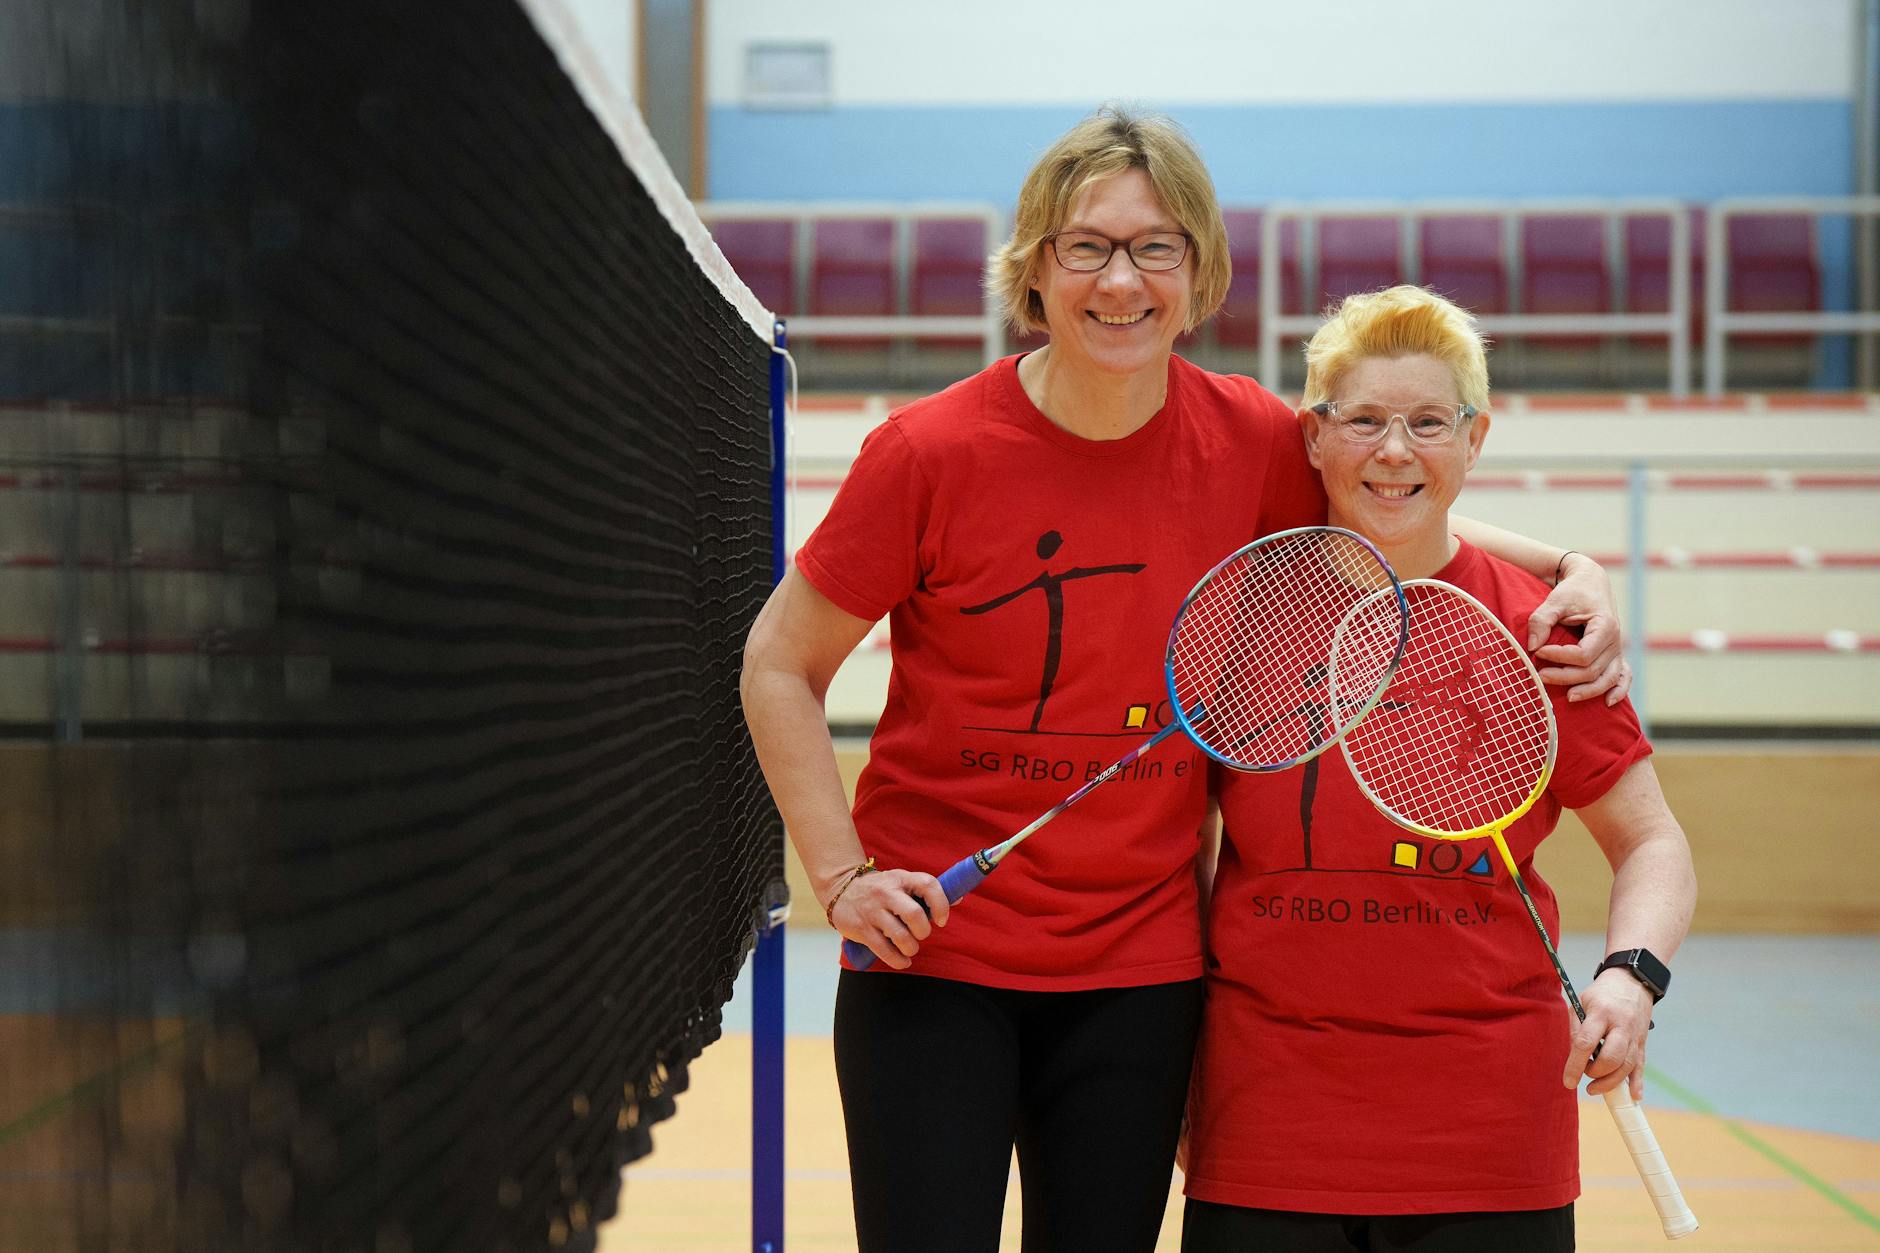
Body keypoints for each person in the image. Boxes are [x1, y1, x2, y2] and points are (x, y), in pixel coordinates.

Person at [741, 107, 1630, 1253]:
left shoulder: (1255, 441)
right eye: (1086, 246)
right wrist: (840, 871)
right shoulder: (927, 452)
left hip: (1139, 974)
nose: (1121, 279)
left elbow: (1391, 495)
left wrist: (1569, 563)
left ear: (1198, 270)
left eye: (1155, 246)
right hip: (935, 957)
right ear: (1034, 268)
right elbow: (779, 660)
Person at [1180, 285, 1699, 1253]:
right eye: (1364, 419)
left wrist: (1630, 978)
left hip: (1489, 1136)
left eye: (1426, 422)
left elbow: (1651, 841)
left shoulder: (1543, 631)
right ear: (1311, 437)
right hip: (1265, 1126)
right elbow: (1189, 851)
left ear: (1473, 439)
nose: (1392, 450)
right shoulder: (1238, 612)